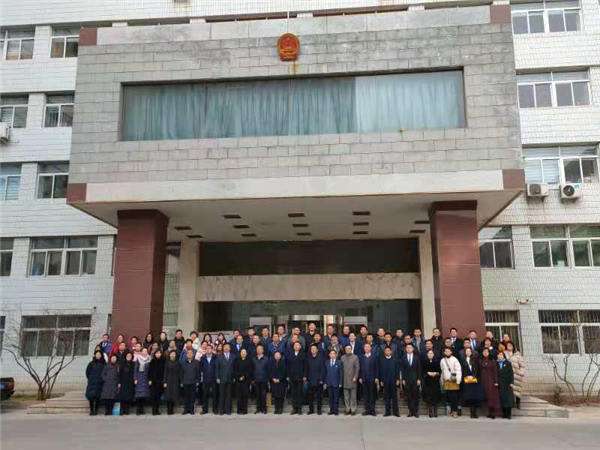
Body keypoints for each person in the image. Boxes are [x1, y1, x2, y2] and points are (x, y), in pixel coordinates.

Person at [461, 347, 484, 419]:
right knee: (469, 397)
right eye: (466, 351)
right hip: (467, 380)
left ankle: (475, 412)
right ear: (465, 353)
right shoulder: (463, 360)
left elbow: (477, 370)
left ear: (471, 352)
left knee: (475, 397)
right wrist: (466, 376)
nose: (468, 352)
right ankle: (471, 412)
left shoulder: (475, 360)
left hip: (474, 381)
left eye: (469, 351)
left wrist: (473, 376)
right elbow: (462, 370)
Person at [401, 343, 421, 417]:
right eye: (407, 348)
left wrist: (419, 379)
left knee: (415, 395)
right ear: (406, 349)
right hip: (407, 379)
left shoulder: (416, 357)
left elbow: (419, 369)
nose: (409, 349)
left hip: (415, 379)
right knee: (409, 396)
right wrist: (403, 379)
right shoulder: (403, 358)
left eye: (410, 348)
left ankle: (415, 411)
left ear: (413, 349)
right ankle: (410, 411)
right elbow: (403, 370)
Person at [378, 346, 400, 417]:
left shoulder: (395, 360)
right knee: (386, 397)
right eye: (386, 351)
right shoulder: (382, 360)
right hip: (385, 381)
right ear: (384, 352)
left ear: (391, 352)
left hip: (393, 381)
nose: (387, 352)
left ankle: (396, 412)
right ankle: (387, 412)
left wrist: (398, 379)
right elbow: (380, 371)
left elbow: (397, 370)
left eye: (388, 350)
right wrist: (381, 380)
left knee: (394, 397)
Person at [480, 347, 501, 419]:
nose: (485, 353)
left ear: (489, 353)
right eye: (484, 352)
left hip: (491, 381)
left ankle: (493, 413)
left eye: (486, 351)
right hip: (483, 381)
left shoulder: (492, 361)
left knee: (492, 397)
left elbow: (495, 372)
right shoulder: (480, 360)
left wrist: (496, 381)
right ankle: (489, 412)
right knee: (486, 396)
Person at [440, 347, 461, 418]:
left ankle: (455, 411)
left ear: (451, 352)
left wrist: (458, 380)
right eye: (446, 351)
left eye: (448, 351)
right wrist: (442, 379)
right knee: (449, 396)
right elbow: (442, 370)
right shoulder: (442, 360)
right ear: (444, 352)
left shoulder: (455, 359)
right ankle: (452, 410)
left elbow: (458, 370)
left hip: (454, 380)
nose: (447, 352)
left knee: (454, 397)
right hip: (447, 380)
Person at [286, 341, 307, 415]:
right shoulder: (290, 354)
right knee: (293, 393)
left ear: (300, 347)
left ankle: (299, 408)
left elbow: (305, 366)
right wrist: (288, 375)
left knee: (299, 393)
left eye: (298, 345)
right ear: (293, 347)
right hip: (292, 377)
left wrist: (305, 375)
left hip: (300, 377)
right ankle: (294, 408)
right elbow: (287, 366)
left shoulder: (303, 354)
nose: (296, 346)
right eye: (295, 345)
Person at [504, 341, 525, 409]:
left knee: (517, 389)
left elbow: (522, 365)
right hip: (507, 375)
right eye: (508, 345)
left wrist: (521, 372)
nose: (509, 346)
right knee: (509, 390)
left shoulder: (518, 355)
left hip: (517, 374)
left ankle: (518, 403)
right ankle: (511, 403)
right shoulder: (504, 354)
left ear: (513, 346)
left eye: (511, 345)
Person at [216, 342, 236, 415]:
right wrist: (217, 377)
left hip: (230, 378)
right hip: (222, 378)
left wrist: (234, 377)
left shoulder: (233, 356)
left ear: (230, 348)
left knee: (229, 395)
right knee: (222, 395)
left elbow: (235, 368)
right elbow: (217, 368)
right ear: (223, 348)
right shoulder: (219, 356)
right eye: (225, 347)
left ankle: (228, 410)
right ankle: (221, 410)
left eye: (228, 347)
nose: (226, 348)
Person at [359, 343, 378, 416]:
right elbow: (360, 368)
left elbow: (377, 367)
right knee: (365, 395)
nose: (366, 348)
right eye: (365, 347)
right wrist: (360, 377)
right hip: (364, 378)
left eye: (368, 347)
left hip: (372, 379)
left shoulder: (374, 357)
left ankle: (372, 410)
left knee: (372, 395)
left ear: (370, 348)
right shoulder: (362, 357)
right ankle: (367, 410)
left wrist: (376, 377)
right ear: (364, 349)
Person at [306, 344, 326, 415]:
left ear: (317, 350)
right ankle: (311, 410)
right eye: (312, 349)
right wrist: (307, 378)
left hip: (318, 380)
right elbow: (307, 369)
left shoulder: (321, 358)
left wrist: (321, 379)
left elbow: (323, 369)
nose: (313, 350)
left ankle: (319, 410)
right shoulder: (308, 358)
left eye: (314, 349)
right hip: (310, 380)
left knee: (319, 397)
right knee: (310, 397)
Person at [341, 344, 359, 416]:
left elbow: (357, 368)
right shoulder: (342, 357)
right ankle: (347, 409)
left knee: (353, 396)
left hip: (352, 379)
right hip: (345, 379)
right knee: (346, 396)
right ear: (345, 350)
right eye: (346, 349)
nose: (348, 350)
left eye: (349, 349)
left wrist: (355, 377)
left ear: (351, 349)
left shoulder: (355, 357)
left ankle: (353, 409)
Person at [421, 349, 441, 417]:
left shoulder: (437, 361)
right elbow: (422, 371)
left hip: (435, 381)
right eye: (429, 353)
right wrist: (428, 373)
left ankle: (435, 411)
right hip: (427, 382)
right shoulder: (424, 362)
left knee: (435, 396)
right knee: (428, 396)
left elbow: (440, 371)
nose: (430, 355)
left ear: (433, 354)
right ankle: (430, 411)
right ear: (427, 355)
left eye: (431, 353)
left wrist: (436, 373)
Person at [199, 345, 218, 414]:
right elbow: (200, 368)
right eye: (207, 348)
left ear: (212, 349)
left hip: (214, 378)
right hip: (205, 379)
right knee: (204, 395)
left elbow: (217, 367)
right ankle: (205, 409)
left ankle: (215, 409)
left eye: (209, 348)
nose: (208, 349)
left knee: (215, 395)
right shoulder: (202, 357)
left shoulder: (216, 357)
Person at [85, 350, 105, 415]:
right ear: (95, 355)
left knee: (97, 397)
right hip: (92, 382)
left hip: (100, 382)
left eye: (99, 354)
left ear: (101, 355)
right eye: (97, 354)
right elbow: (87, 372)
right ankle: (91, 410)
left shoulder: (103, 364)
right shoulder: (91, 363)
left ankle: (96, 410)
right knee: (91, 397)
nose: (98, 355)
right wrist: (90, 378)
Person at [233, 348, 253, 414]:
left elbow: (250, 370)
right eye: (242, 352)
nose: (243, 353)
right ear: (240, 353)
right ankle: (239, 410)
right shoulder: (237, 360)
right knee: (239, 396)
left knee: (245, 396)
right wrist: (239, 377)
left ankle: (244, 410)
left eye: (244, 352)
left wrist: (244, 376)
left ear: (246, 353)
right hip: (238, 381)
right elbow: (235, 370)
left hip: (246, 381)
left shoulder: (249, 360)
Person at [324, 349, 343, 415]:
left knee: (336, 397)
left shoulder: (339, 362)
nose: (332, 355)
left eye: (333, 354)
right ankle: (331, 410)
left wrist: (340, 383)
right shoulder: (327, 362)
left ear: (336, 355)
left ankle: (336, 410)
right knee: (330, 398)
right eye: (331, 354)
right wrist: (325, 383)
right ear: (329, 355)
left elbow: (341, 373)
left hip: (336, 383)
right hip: (329, 383)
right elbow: (325, 373)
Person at [497, 351, 515, 419]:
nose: (500, 356)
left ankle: (509, 414)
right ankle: (504, 414)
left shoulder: (508, 363)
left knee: (508, 399)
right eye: (499, 355)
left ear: (503, 356)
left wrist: (511, 382)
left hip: (507, 383)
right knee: (502, 399)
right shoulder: (496, 363)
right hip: (500, 383)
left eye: (501, 355)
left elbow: (511, 373)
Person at [252, 344, 269, 414]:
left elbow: (268, 370)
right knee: (257, 395)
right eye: (257, 349)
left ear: (263, 350)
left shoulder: (266, 359)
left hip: (264, 379)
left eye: (260, 349)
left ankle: (264, 409)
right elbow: (252, 369)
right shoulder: (254, 359)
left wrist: (267, 379)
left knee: (263, 395)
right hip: (256, 379)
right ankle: (258, 408)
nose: (259, 350)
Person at [163, 350, 181, 415]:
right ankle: (168, 409)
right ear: (169, 355)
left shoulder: (178, 363)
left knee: (174, 395)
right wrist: (165, 382)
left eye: (174, 354)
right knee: (168, 395)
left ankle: (172, 409)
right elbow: (165, 372)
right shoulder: (167, 363)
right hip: (168, 380)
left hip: (175, 380)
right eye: (171, 354)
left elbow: (179, 373)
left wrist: (180, 381)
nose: (173, 355)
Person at [134, 347, 151, 415]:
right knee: (138, 394)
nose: (144, 352)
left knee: (144, 394)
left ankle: (142, 409)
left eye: (145, 351)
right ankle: (138, 410)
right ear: (141, 352)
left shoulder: (149, 359)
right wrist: (135, 378)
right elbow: (135, 369)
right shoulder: (138, 359)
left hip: (146, 377)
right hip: (139, 377)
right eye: (143, 351)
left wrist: (150, 379)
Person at [118, 351, 135, 415]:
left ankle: (127, 409)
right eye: (128, 356)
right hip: (123, 381)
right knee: (122, 396)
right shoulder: (122, 364)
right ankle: (122, 410)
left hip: (130, 382)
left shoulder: (133, 364)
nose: (129, 357)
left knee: (128, 396)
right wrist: (119, 382)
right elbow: (120, 374)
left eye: (130, 356)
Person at [148, 349, 165, 415]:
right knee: (153, 396)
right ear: (154, 354)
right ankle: (153, 410)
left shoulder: (163, 361)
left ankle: (157, 410)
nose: (158, 354)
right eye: (157, 353)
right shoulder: (152, 361)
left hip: (160, 381)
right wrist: (149, 379)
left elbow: (164, 372)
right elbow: (149, 371)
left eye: (159, 353)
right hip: (153, 381)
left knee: (158, 396)